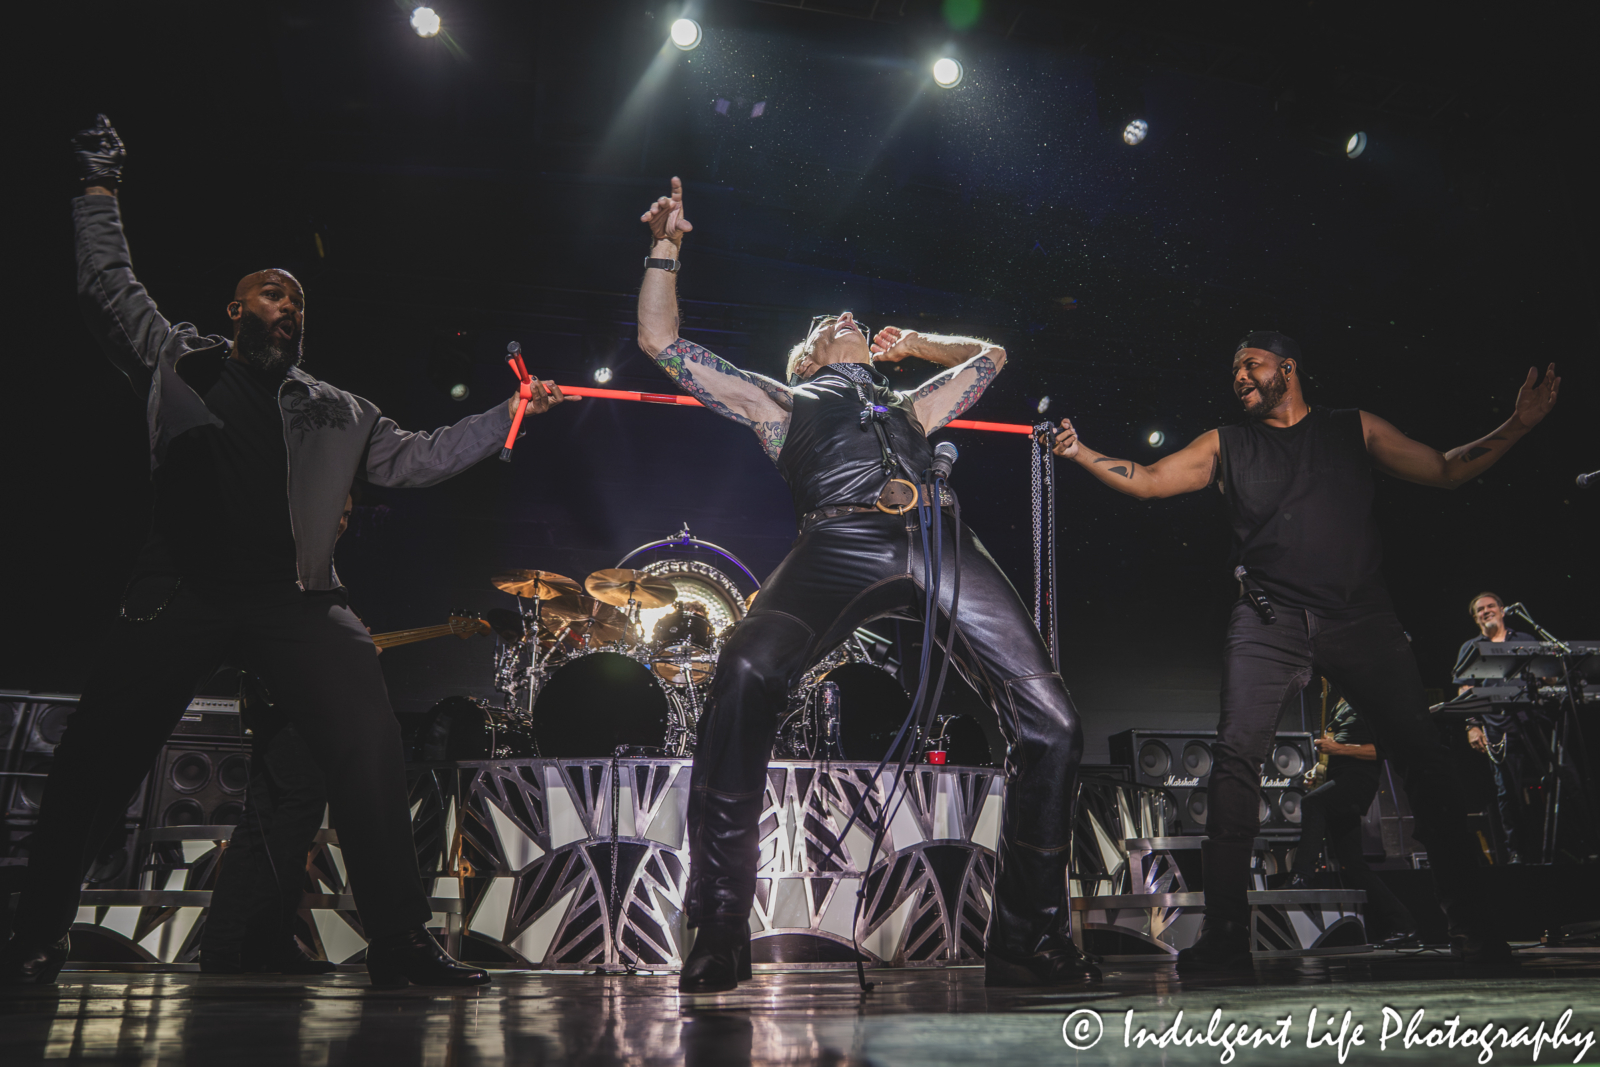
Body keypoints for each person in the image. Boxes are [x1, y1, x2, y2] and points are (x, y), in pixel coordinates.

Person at [1, 116, 574, 988]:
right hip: (179, 592)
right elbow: (105, 285)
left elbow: (416, 457)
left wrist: (512, 413)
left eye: (298, 299)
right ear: (236, 309)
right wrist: (96, 187)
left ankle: (400, 942)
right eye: (271, 293)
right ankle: (36, 932)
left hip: (295, 599)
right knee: (97, 756)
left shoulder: (340, 408)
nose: (287, 304)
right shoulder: (177, 361)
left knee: (369, 741)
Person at [636, 178, 1096, 991]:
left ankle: (1030, 938)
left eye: (848, 318)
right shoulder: (782, 401)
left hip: (941, 535)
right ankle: (715, 930)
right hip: (838, 539)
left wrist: (918, 341)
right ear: (808, 356)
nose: (842, 317)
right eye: (825, 325)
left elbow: (992, 356)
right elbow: (662, 343)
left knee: (1053, 721)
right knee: (744, 668)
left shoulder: (911, 409)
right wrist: (666, 245)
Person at [1052, 330, 1558, 970]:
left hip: (1361, 618)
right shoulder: (1226, 444)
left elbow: (1445, 468)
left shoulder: (1354, 429)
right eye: (1233, 368)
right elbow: (1151, 480)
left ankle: (1476, 932)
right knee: (1235, 759)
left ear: (1287, 369)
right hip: (1269, 616)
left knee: (1425, 762)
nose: (1238, 376)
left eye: (1251, 364)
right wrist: (1080, 453)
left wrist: (1518, 422)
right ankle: (1228, 936)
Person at [199, 496, 351, 975]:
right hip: (284, 697)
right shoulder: (293, 555)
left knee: (263, 819)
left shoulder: (311, 557)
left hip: (282, 694)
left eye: (348, 513)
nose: (342, 519)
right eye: (337, 508)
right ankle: (260, 943)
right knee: (296, 806)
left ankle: (231, 946)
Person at [1288, 697, 1417, 946]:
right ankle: (1404, 925)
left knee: (1313, 803)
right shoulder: (1341, 702)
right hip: (1340, 777)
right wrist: (1319, 770)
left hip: (1358, 779)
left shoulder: (1372, 700)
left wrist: (1338, 750)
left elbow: (1384, 750)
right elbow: (1339, 744)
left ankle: (1301, 876)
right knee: (1352, 863)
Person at [1453, 592, 1537, 864]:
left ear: (1502, 610)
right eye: (1480, 609)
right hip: (1497, 726)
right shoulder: (1470, 647)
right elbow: (1466, 689)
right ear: (1475, 618)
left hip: (1533, 722)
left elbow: (1547, 674)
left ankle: (1572, 845)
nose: (1486, 611)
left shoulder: (1524, 640)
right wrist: (1472, 725)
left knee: (1561, 779)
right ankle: (1518, 852)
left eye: (1491, 606)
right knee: (1508, 792)